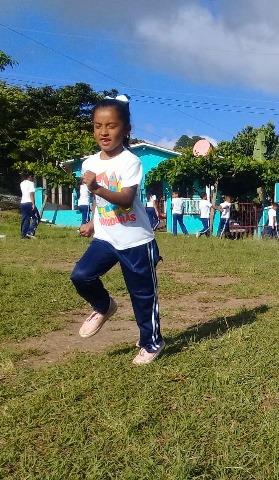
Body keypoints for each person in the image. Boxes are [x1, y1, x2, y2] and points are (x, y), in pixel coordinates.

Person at [69, 95, 164, 365]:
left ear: (126, 130)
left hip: (136, 241)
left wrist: (97, 187)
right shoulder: (89, 163)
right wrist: (91, 222)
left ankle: (152, 342)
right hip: (106, 237)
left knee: (142, 297)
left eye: (111, 126)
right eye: (98, 126)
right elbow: (99, 204)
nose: (104, 132)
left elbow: (124, 200)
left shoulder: (130, 162)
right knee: (81, 276)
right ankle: (104, 305)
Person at [20, 172, 37, 239]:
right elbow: (31, 194)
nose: (33, 179)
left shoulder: (22, 183)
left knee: (25, 219)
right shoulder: (31, 183)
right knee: (36, 218)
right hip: (29, 202)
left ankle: (23, 235)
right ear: (30, 176)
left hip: (23, 202)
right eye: (32, 177)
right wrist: (33, 204)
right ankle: (30, 232)